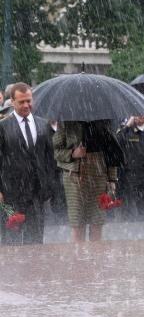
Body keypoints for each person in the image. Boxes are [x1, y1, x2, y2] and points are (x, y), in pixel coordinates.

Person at [0, 83, 58, 245]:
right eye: (21, 102)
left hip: (37, 194)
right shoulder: (3, 127)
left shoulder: (43, 125)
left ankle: (34, 270)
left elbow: (50, 158)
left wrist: (50, 184)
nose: (26, 105)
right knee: (12, 242)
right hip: (12, 194)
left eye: (29, 101)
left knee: (35, 241)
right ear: (12, 102)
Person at [54, 119, 124, 242]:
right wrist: (73, 153)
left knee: (97, 221)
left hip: (99, 175)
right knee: (77, 223)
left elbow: (112, 152)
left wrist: (112, 179)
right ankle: (79, 258)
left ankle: (95, 258)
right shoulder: (66, 121)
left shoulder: (104, 119)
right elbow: (56, 152)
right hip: (74, 178)